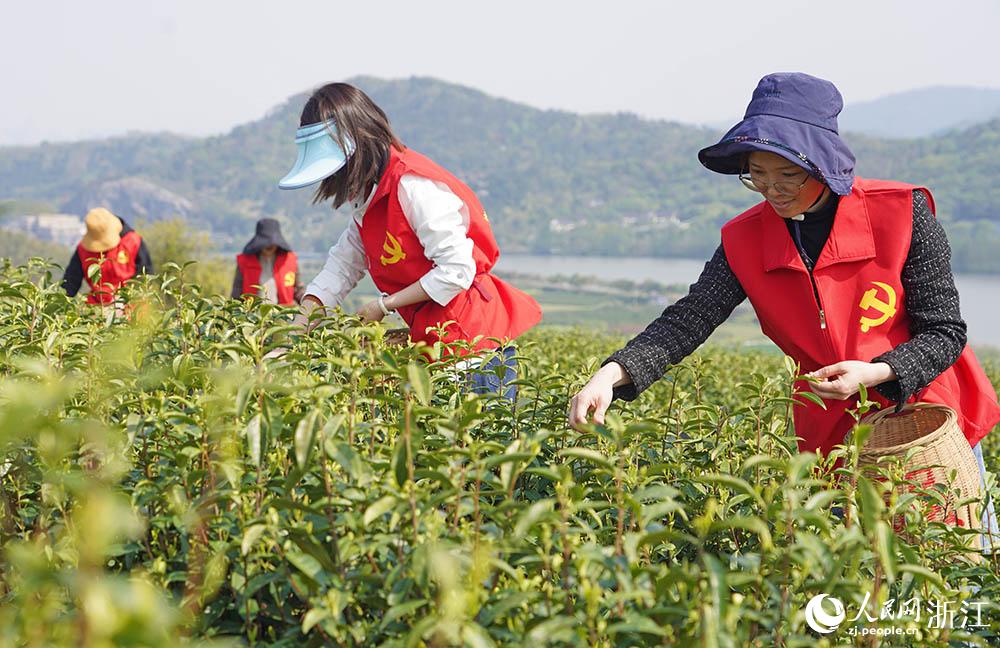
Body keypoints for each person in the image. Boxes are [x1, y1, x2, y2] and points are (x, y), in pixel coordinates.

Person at [568, 73, 1000, 541]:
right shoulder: (745, 237)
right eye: (756, 174)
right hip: (831, 429)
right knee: (854, 575)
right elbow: (690, 317)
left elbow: (944, 332)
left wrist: (875, 372)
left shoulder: (901, 213)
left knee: (959, 560)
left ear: (822, 163)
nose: (773, 189)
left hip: (921, 417)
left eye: (789, 174)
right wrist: (609, 375)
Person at [277, 82, 541, 397]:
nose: (338, 183)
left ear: (361, 146)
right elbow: (339, 270)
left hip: (474, 350)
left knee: (477, 441)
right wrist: (289, 340)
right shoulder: (368, 202)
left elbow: (457, 270)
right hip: (436, 347)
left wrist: (383, 305)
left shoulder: (412, 186)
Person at [61, 207, 154, 304]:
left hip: (131, 303)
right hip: (97, 306)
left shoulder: (133, 242)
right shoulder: (83, 250)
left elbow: (146, 275)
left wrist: (128, 299)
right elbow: (70, 282)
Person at [232, 218, 304, 304]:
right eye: (265, 242)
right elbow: (236, 293)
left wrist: (308, 305)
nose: (269, 245)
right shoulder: (245, 261)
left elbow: (298, 290)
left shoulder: (290, 261)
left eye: (272, 242)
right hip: (253, 315)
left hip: (283, 314)